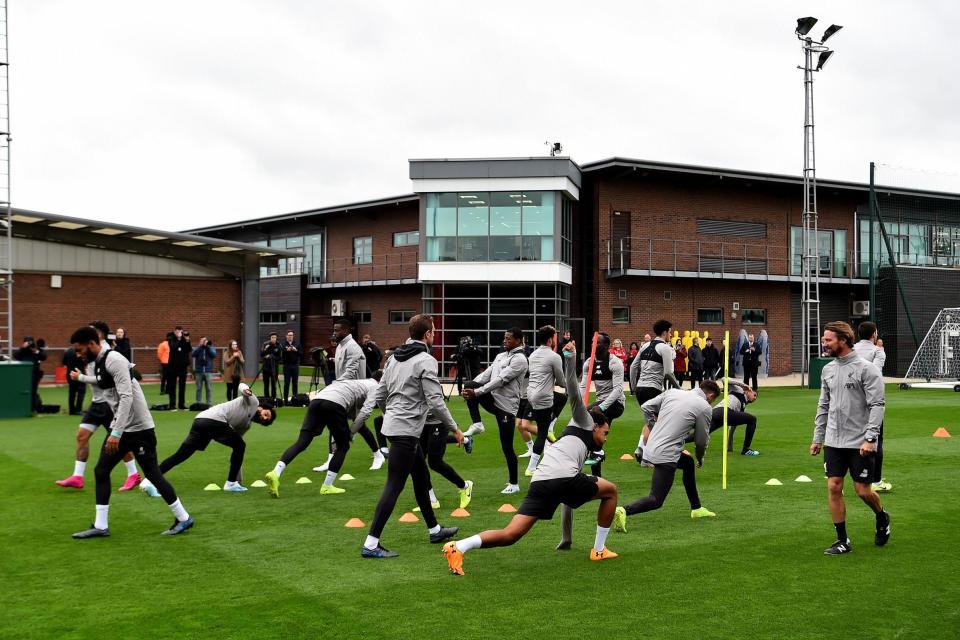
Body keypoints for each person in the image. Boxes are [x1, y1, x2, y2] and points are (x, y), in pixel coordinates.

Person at [442, 339, 620, 576]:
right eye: (605, 433)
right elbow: (575, 393)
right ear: (596, 425)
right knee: (611, 491)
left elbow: (568, 499)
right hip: (561, 477)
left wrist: (566, 538)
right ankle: (599, 550)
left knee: (511, 534)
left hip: (542, 480)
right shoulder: (585, 420)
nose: (606, 438)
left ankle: (459, 547)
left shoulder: (575, 443)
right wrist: (570, 360)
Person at [68, 326, 194, 539]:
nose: (78, 354)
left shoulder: (114, 359)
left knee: (153, 474)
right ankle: (100, 526)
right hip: (124, 428)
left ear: (91, 344)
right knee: (101, 471)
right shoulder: (98, 363)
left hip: (139, 430)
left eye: (80, 350)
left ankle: (183, 518)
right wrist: (80, 378)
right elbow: (102, 381)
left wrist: (115, 433)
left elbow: (126, 396)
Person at [360, 314, 464, 558]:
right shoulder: (426, 360)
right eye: (434, 331)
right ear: (427, 334)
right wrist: (455, 428)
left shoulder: (394, 358)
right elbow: (436, 401)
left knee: (420, 476)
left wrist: (391, 416)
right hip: (406, 431)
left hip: (399, 428)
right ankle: (371, 543)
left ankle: (435, 529)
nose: (435, 335)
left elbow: (382, 394)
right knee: (394, 485)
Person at [810, 321, 890, 555]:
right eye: (824, 340)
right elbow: (823, 405)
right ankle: (842, 540)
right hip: (833, 440)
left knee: (863, 491)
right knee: (834, 486)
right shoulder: (828, 370)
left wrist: (870, 438)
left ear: (843, 340)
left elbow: (877, 405)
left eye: (828, 340)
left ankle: (882, 516)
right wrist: (818, 437)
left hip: (860, 441)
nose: (824, 344)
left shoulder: (867, 369)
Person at [614, 380, 721, 533]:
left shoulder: (673, 392)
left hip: (650, 447)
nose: (711, 403)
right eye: (713, 400)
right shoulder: (704, 407)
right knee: (656, 500)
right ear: (710, 395)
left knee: (688, 463)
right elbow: (702, 440)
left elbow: (646, 407)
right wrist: (700, 457)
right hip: (666, 454)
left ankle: (696, 508)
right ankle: (624, 510)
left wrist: (652, 426)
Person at [141, 383, 275, 496]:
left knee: (180, 456)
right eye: (266, 414)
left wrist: (239, 480)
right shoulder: (253, 402)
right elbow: (242, 385)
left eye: (266, 420)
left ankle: (148, 480)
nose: (264, 418)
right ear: (263, 408)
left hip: (202, 421)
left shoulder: (246, 425)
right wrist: (245, 390)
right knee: (239, 446)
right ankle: (230, 483)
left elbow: (237, 451)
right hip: (211, 420)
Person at [57, 321, 142, 492]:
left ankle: (133, 474)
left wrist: (81, 378)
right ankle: (77, 476)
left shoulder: (105, 353)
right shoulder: (89, 350)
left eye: (92, 330)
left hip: (108, 404)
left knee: (118, 442)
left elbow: (104, 379)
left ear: (99, 335)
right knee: (82, 436)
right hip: (96, 403)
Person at [266, 375, 380, 497]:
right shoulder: (376, 387)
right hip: (334, 404)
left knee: (302, 442)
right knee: (343, 446)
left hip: (316, 401)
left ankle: (275, 472)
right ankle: (327, 486)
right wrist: (350, 433)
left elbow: (348, 410)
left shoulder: (356, 383)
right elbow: (365, 412)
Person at [461, 327, 529, 494]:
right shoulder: (500, 356)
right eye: (504, 338)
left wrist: (476, 392)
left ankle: (514, 484)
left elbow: (500, 380)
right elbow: (486, 376)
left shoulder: (520, 359)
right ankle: (477, 424)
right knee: (469, 383)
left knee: (507, 446)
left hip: (506, 407)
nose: (505, 341)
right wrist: (470, 389)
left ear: (519, 341)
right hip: (493, 400)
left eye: (509, 339)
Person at [315, 318, 384, 472]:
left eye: (337, 330)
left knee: (360, 426)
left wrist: (336, 385)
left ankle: (378, 454)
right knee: (334, 421)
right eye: (334, 330)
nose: (334, 333)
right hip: (344, 391)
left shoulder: (353, 347)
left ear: (346, 331)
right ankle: (331, 459)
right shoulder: (340, 346)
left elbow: (351, 371)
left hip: (355, 392)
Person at [629, 320, 678, 463]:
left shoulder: (645, 346)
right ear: (664, 332)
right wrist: (679, 390)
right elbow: (669, 373)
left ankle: (640, 449)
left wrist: (633, 388)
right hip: (653, 390)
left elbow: (633, 367)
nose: (671, 335)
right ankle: (647, 458)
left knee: (651, 421)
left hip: (640, 389)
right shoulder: (665, 348)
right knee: (659, 425)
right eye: (670, 332)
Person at [854, 321, 892, 493]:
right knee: (876, 440)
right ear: (874, 334)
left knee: (850, 440)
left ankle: (845, 478)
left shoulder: (852, 349)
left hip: (851, 400)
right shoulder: (878, 352)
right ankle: (874, 480)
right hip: (870, 402)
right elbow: (873, 374)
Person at [580, 332, 625, 477]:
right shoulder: (589, 362)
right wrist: (580, 404)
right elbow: (583, 385)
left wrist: (602, 407)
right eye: (593, 342)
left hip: (616, 404)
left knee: (590, 413)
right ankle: (597, 478)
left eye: (597, 342)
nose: (593, 345)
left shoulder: (615, 363)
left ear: (606, 346)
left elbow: (618, 389)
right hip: (601, 405)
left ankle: (596, 452)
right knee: (597, 439)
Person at [523, 325, 566, 476]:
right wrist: (570, 385)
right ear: (549, 340)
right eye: (555, 338)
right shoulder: (555, 357)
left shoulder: (533, 355)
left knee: (561, 398)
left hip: (531, 395)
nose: (556, 340)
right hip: (543, 397)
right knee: (542, 432)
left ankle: (551, 425)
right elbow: (561, 381)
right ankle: (531, 467)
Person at [692, 380, 760, 456]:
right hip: (722, 411)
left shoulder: (742, 406)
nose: (755, 398)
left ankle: (678, 440)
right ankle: (746, 449)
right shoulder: (740, 390)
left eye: (756, 398)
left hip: (717, 414)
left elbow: (732, 427)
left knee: (701, 434)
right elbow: (724, 379)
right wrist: (742, 384)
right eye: (754, 395)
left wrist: (729, 446)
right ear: (749, 391)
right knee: (753, 419)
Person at [14, 336, 46, 412]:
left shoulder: (36, 349)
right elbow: (15, 356)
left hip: (35, 375)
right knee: (23, 392)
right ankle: (22, 407)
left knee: (33, 392)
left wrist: (35, 351)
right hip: (24, 375)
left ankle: (33, 409)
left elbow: (44, 357)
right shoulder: (22, 351)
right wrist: (23, 347)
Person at [166, 327, 191, 410]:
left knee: (182, 386)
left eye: (180, 331)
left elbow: (189, 349)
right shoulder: (171, 338)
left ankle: (181, 404)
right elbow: (174, 347)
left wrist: (187, 340)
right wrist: (179, 338)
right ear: (175, 332)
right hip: (173, 366)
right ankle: (172, 405)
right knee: (172, 386)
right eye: (177, 331)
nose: (179, 333)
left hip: (183, 366)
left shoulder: (184, 340)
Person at [192, 337, 217, 405]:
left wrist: (207, 347)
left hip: (208, 371)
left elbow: (214, 355)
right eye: (202, 341)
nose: (203, 342)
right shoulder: (198, 348)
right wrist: (200, 347)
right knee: (198, 388)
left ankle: (208, 402)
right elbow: (193, 354)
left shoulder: (211, 347)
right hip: (199, 371)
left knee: (208, 388)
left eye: (204, 341)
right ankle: (198, 402)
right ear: (200, 342)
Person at [63, 346, 87, 415]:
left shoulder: (68, 351)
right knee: (81, 392)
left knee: (72, 392)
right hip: (79, 373)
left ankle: (71, 410)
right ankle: (78, 409)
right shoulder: (82, 350)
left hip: (70, 374)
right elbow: (85, 362)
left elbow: (64, 362)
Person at [281, 330, 302, 401]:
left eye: (291, 335)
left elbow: (301, 353)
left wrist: (296, 350)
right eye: (289, 335)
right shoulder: (283, 344)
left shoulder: (297, 344)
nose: (290, 336)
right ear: (286, 336)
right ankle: (286, 400)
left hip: (295, 366)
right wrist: (287, 350)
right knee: (286, 383)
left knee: (295, 383)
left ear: (293, 336)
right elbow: (281, 355)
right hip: (287, 366)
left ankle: (295, 399)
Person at [260, 333, 281, 400]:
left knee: (273, 385)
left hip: (274, 368)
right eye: (272, 337)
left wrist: (272, 357)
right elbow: (261, 354)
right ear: (270, 338)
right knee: (266, 385)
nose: (273, 339)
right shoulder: (265, 344)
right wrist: (265, 349)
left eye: (275, 337)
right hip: (266, 367)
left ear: (276, 338)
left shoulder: (279, 345)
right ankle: (266, 398)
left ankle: (273, 398)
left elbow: (280, 357)